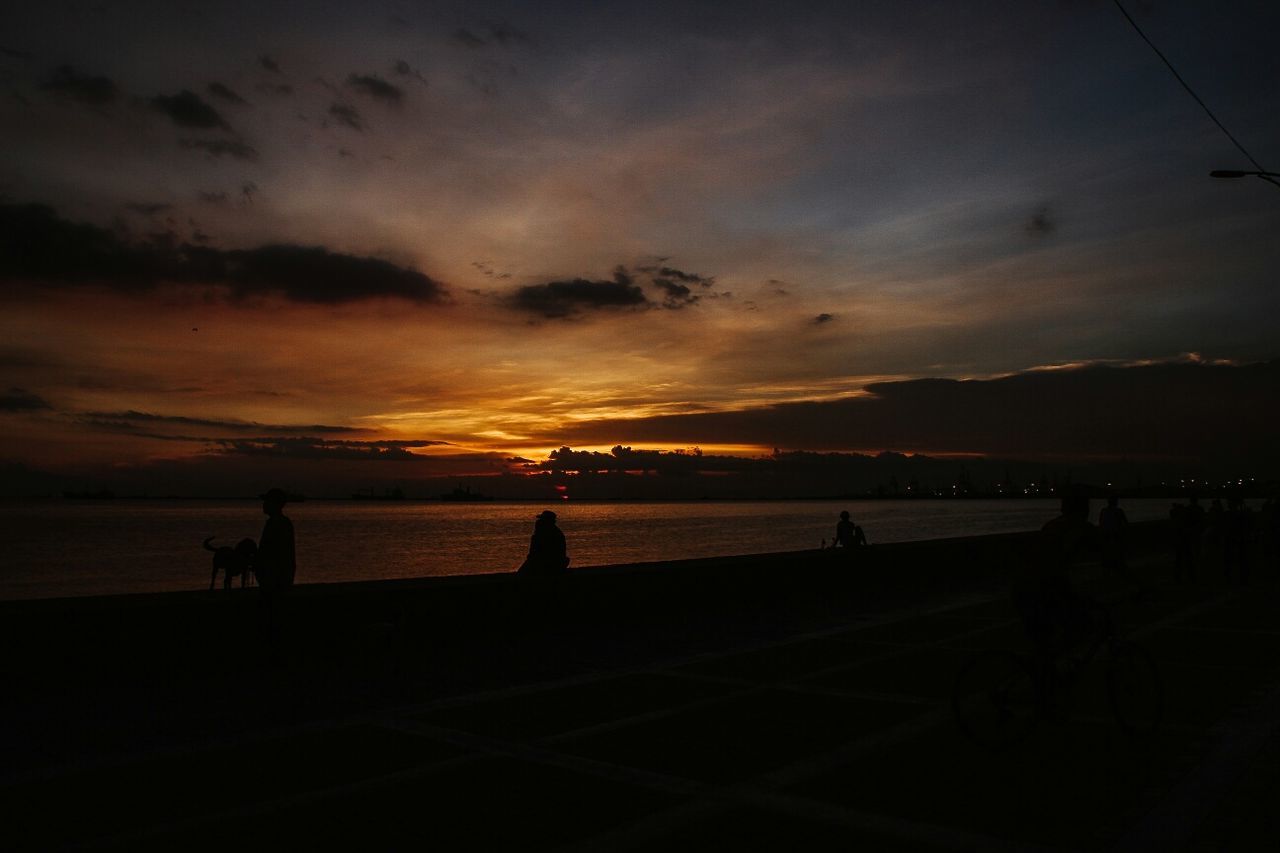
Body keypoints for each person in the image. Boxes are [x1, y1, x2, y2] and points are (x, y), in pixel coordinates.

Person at [256, 487, 296, 657]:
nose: (263, 505)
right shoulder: (282, 523)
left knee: (273, 619)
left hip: (275, 580)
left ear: (274, 504)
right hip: (278, 578)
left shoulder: (277, 524)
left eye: (266, 501)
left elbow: (273, 552)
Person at [518, 510, 569, 578]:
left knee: (522, 574)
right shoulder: (554, 532)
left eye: (542, 520)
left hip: (547, 562)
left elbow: (536, 553)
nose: (538, 522)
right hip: (553, 561)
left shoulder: (545, 534)